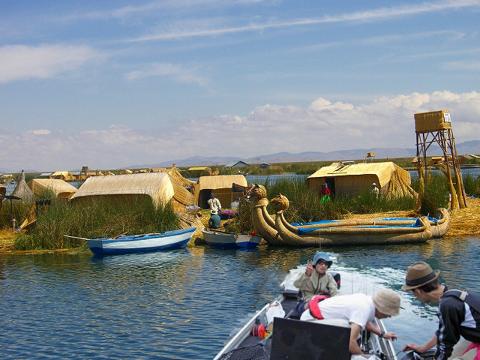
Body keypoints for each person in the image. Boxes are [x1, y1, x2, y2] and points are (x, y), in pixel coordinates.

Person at [402, 261, 480, 360]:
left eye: (413, 293)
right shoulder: (453, 294)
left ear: (418, 291)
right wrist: (422, 348)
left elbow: (446, 343)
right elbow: (444, 331)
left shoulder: (447, 305)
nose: (416, 297)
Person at [300, 288, 400, 355]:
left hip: (315, 320)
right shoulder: (364, 308)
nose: (389, 316)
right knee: (349, 331)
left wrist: (382, 334)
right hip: (309, 322)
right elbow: (350, 343)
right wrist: (363, 356)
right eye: (389, 313)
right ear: (382, 308)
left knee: (355, 330)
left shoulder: (368, 302)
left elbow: (364, 321)